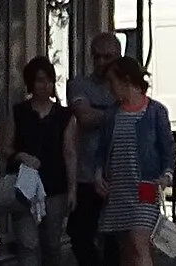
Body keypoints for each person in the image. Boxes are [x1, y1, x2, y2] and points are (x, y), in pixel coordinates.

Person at [97, 57, 174, 266]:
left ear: (127, 80)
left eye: (113, 83)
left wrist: (167, 173)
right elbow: (103, 148)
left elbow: (167, 147)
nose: (111, 89)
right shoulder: (112, 114)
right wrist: (98, 174)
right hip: (118, 189)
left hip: (145, 186)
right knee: (126, 249)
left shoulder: (155, 112)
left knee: (139, 242)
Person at [3, 55, 75, 265]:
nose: (44, 85)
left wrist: (72, 190)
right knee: (28, 244)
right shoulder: (19, 112)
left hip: (55, 187)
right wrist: (21, 155)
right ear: (30, 83)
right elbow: (5, 148)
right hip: (24, 186)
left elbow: (69, 153)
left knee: (52, 244)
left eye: (48, 80)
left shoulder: (65, 116)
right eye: (39, 80)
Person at [65, 34, 122, 266]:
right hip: (86, 173)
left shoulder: (124, 87)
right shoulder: (80, 84)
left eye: (107, 57)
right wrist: (117, 114)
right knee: (79, 234)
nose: (101, 62)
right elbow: (84, 117)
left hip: (118, 173)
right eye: (96, 56)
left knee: (115, 238)